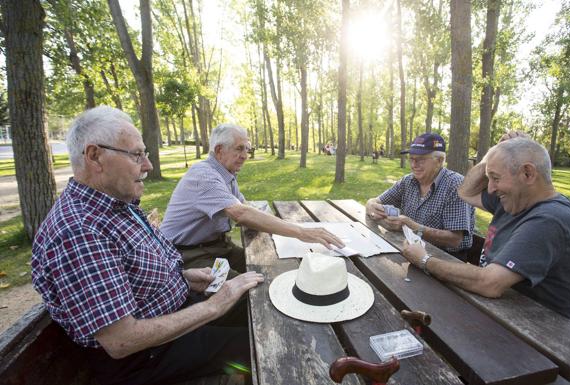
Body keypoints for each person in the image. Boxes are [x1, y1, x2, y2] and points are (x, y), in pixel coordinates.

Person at [31, 106, 264, 385]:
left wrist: (185, 279)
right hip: (147, 356)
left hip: (176, 311)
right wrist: (216, 305)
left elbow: (136, 275)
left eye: (146, 154)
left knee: (261, 302)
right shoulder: (79, 231)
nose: (148, 166)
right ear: (95, 156)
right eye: (136, 155)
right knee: (261, 343)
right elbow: (121, 341)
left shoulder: (115, 203)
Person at [402, 133, 570, 320]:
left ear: (527, 174)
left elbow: (489, 284)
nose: (490, 188)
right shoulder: (512, 200)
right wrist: (493, 154)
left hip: (536, 332)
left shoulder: (550, 219)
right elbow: (466, 192)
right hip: (500, 313)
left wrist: (424, 260)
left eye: (495, 178)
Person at [160, 124, 344, 270]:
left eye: (247, 149)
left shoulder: (226, 174)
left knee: (267, 267)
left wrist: (281, 224)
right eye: (239, 149)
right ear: (218, 151)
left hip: (217, 247)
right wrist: (301, 232)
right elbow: (240, 213)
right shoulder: (204, 175)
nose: (245, 156)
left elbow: (245, 206)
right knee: (248, 293)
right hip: (186, 256)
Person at [365, 133, 475, 258]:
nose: (413, 165)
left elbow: (455, 240)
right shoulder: (408, 181)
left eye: (421, 159)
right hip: (410, 250)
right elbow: (376, 201)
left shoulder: (456, 185)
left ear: (439, 161)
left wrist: (413, 227)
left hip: (446, 259)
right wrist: (371, 204)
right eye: (411, 158)